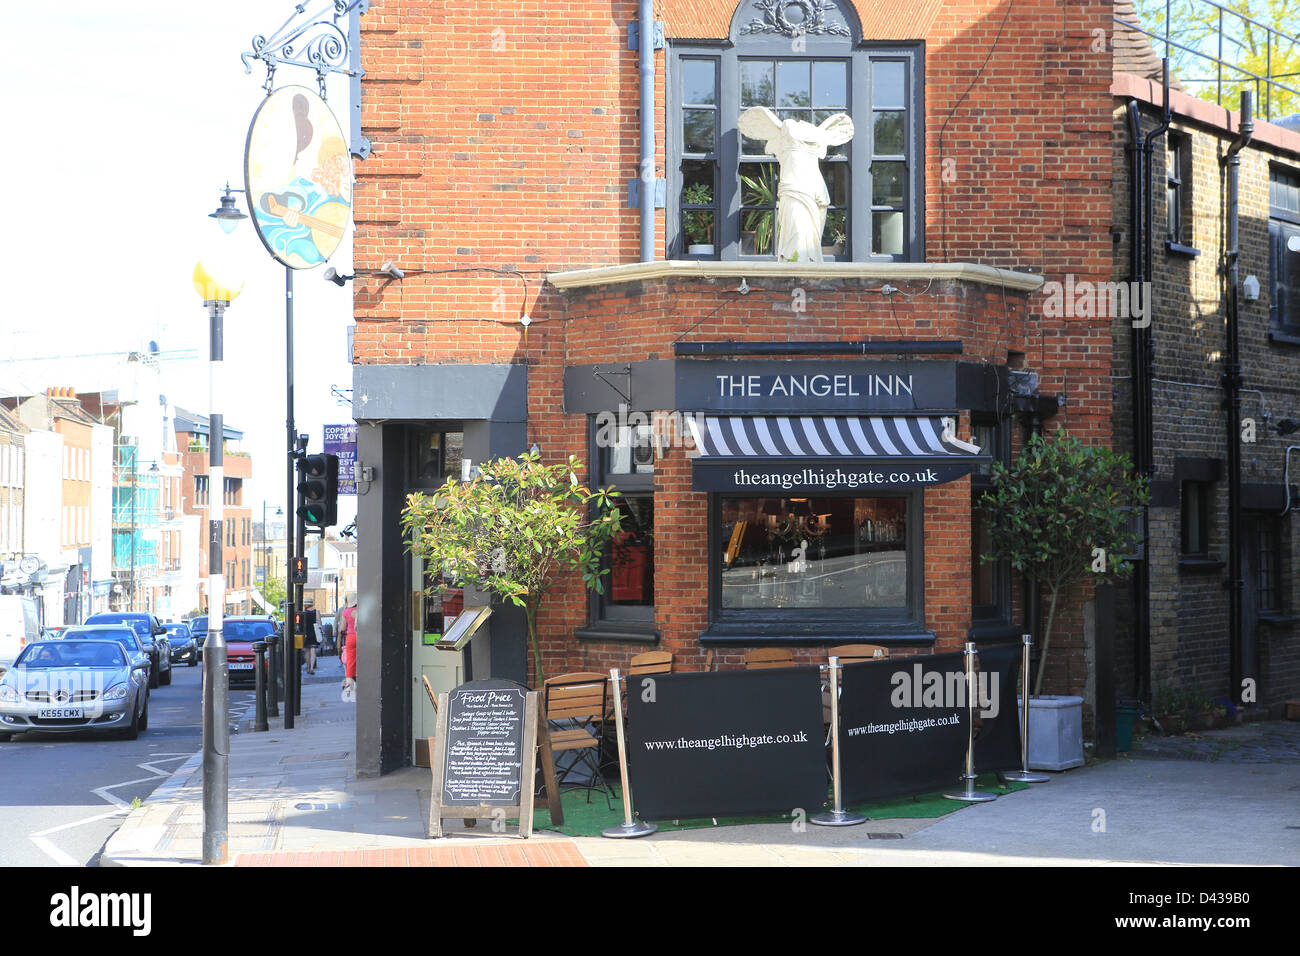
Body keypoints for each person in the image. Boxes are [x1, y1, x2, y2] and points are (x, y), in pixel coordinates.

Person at [341, 594, 357, 694]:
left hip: (350, 637)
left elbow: (342, 628)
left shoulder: (346, 612)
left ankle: (349, 684)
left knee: (351, 661)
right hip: (363, 637)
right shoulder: (361, 610)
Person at [301, 600, 319, 674]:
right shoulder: (316, 612)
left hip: (306, 633)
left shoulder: (303, 613)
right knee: (313, 651)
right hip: (314, 632)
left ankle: (308, 667)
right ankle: (312, 668)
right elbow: (319, 622)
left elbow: (301, 624)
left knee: (307, 651)